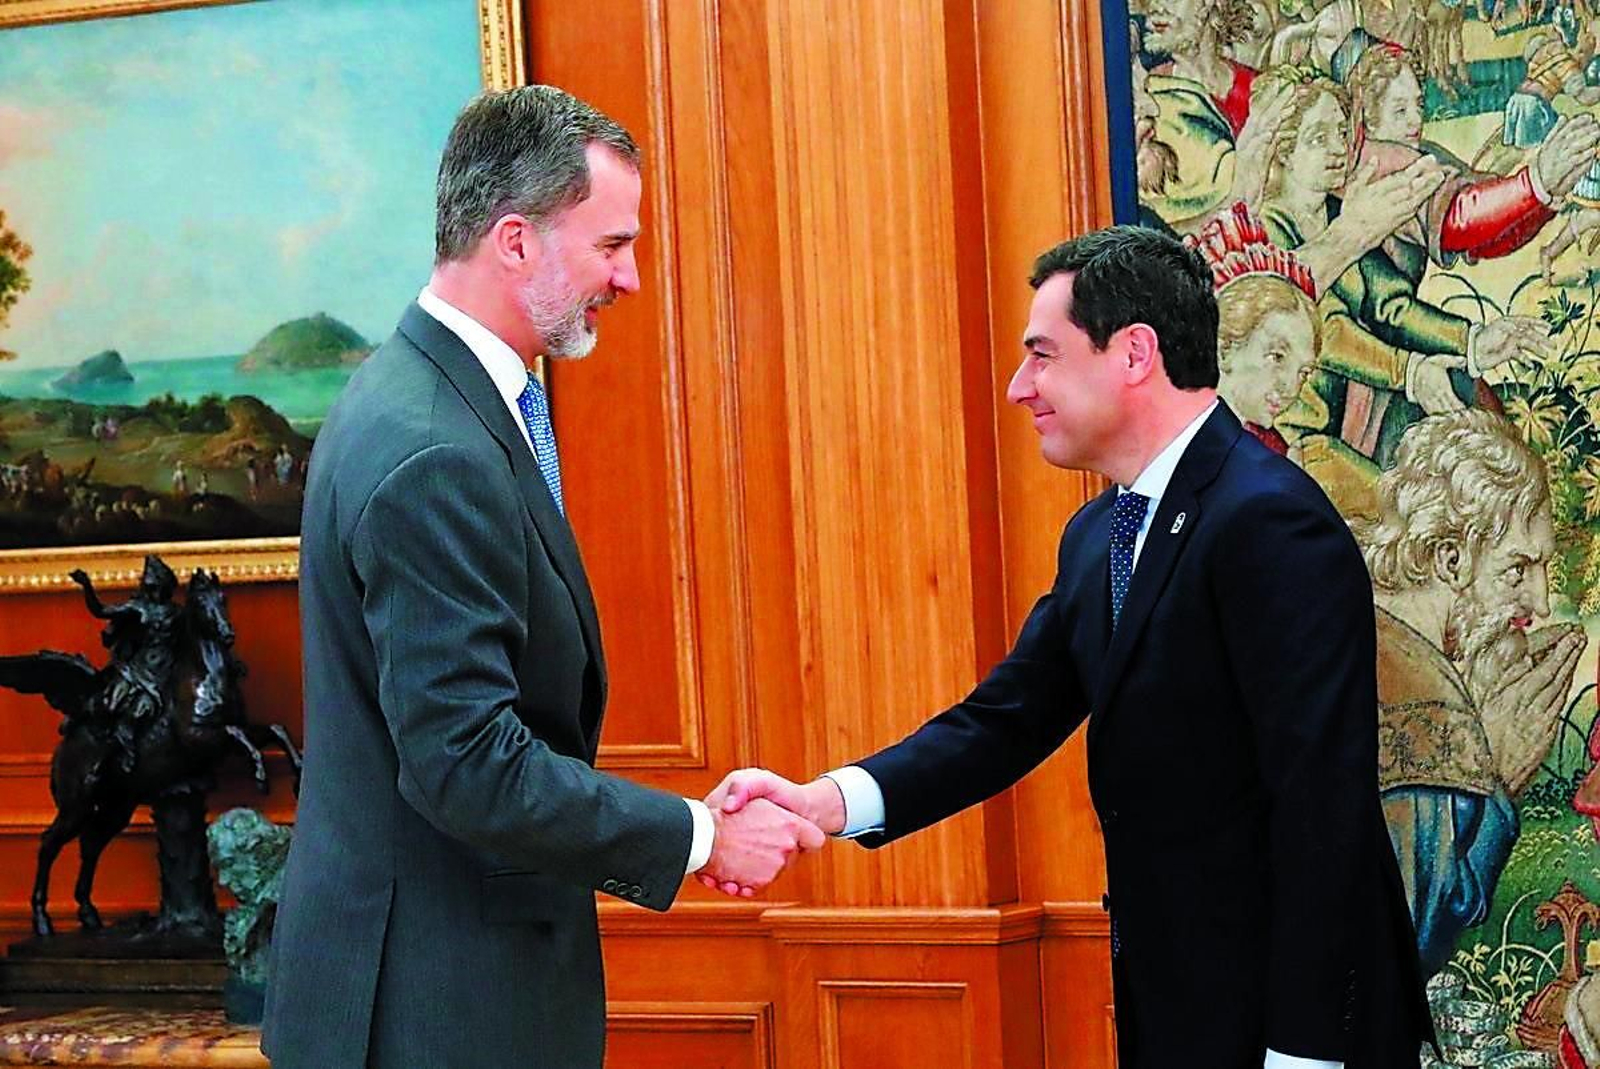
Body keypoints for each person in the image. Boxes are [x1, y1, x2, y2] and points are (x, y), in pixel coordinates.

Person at [709, 226, 1435, 1067]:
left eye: (1043, 355)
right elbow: (1005, 718)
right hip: (1178, 1007)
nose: (1021, 387)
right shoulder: (1100, 532)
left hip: (1293, 1027)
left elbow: (1322, 806)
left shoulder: (1271, 520)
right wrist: (825, 802)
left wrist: (1304, 1052)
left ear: (1134, 354)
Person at [261, 86, 823, 1069]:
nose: (633, 278)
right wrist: (698, 835)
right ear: (515, 241)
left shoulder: (425, 395)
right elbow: (465, 761)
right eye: (611, 245)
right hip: (435, 1013)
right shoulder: (432, 442)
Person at [1354, 410, 1586, 975]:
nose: (1538, 604)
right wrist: (1498, 781)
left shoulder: (1360, 629)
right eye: (1516, 570)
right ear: (1449, 559)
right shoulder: (1424, 705)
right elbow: (1410, 941)